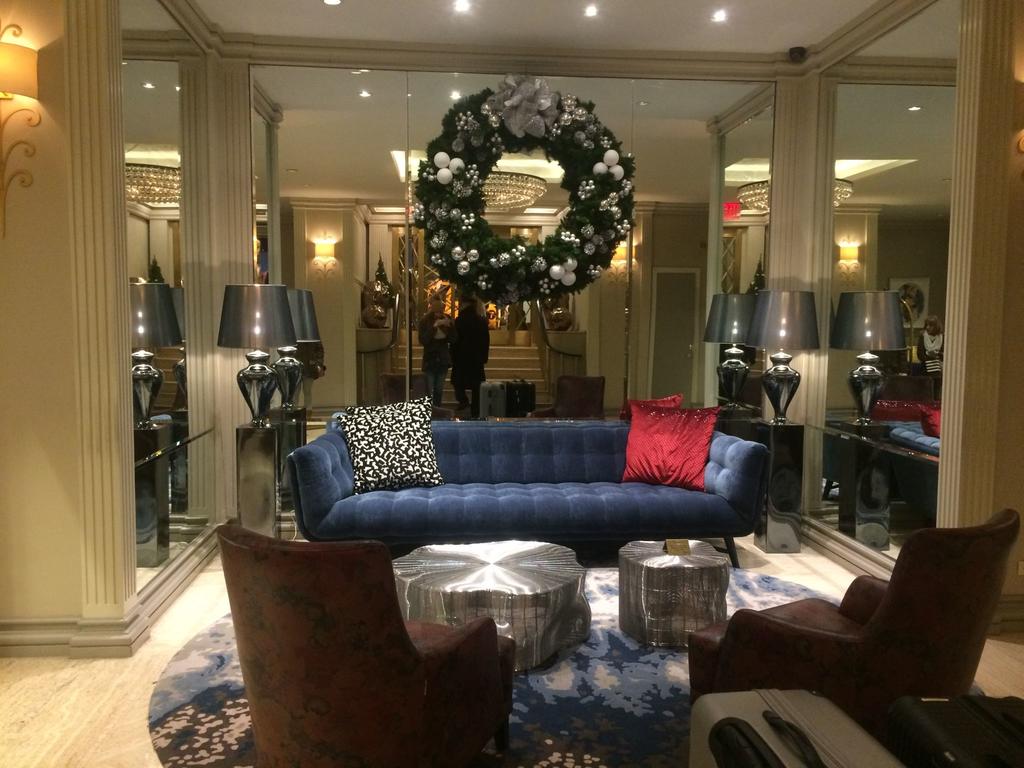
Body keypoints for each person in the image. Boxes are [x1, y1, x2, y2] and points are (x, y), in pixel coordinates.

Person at [451, 295, 490, 417]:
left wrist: (453, 356)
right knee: (476, 386)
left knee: (458, 382)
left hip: (461, 358)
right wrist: (484, 357)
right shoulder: (481, 321)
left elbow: (455, 341)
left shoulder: (459, 321)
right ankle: (476, 410)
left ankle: (463, 401)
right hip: (476, 359)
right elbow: (486, 341)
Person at [417, 296, 455, 406]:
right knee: (429, 389)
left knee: (439, 389)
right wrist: (434, 327)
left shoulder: (446, 318)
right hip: (430, 359)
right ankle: (430, 409)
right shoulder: (425, 321)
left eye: (441, 308)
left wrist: (450, 326)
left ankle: (437, 408)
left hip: (442, 359)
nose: (439, 312)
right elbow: (423, 340)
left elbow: (454, 339)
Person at [917, 314, 944, 381]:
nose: (927, 327)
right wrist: (931, 357)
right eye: (926, 325)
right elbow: (920, 355)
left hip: (938, 366)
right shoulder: (922, 336)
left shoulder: (942, 337)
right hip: (925, 367)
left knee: (938, 374)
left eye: (930, 325)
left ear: (936, 327)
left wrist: (937, 354)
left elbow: (944, 355)